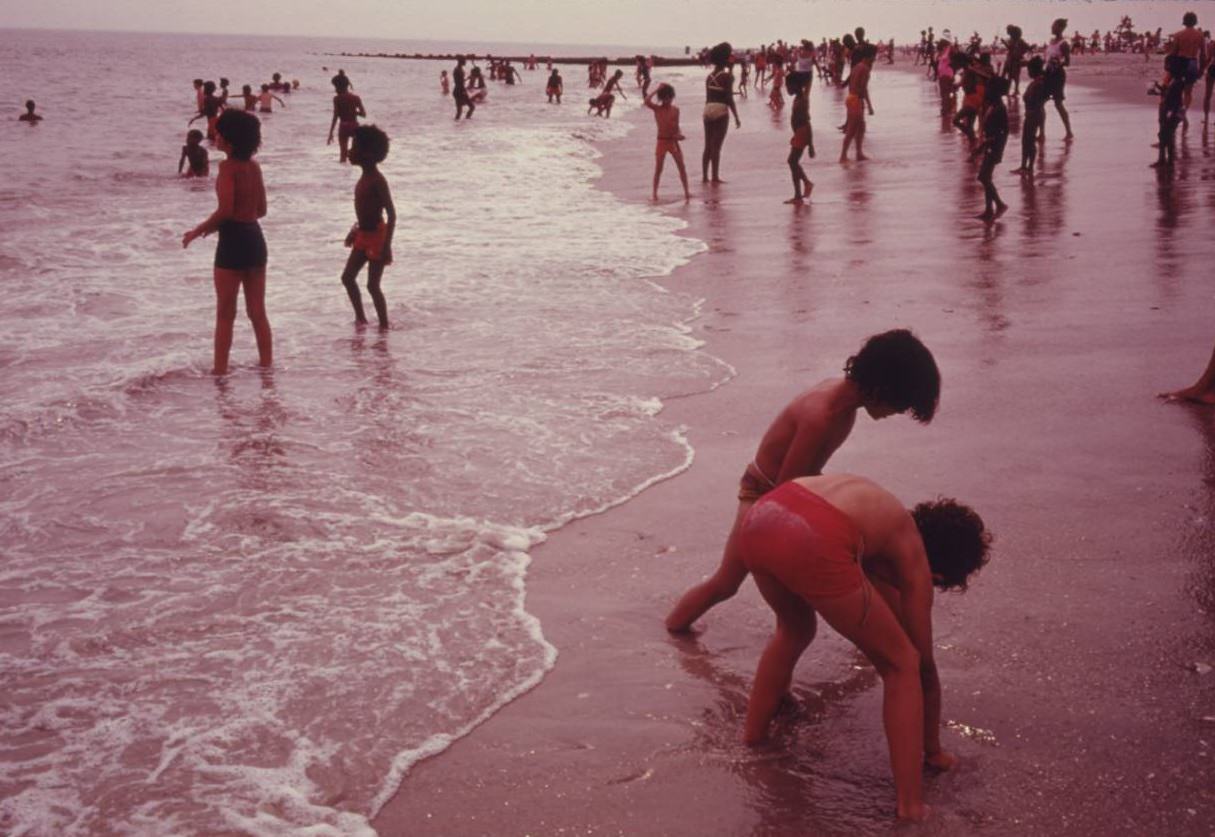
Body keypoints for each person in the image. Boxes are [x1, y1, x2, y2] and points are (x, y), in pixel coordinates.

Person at [736, 472, 991, 821]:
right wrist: (933, 751)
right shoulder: (912, 554)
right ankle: (911, 806)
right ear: (939, 576)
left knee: (793, 629)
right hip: (813, 533)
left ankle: (753, 738)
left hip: (762, 517)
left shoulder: (881, 516)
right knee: (902, 663)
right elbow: (923, 667)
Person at [665, 329, 941, 632]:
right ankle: (674, 628)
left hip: (784, 487)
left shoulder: (842, 403)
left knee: (861, 556)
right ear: (881, 389)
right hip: (762, 495)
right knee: (727, 582)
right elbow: (786, 493)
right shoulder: (821, 417)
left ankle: (889, 626)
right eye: (900, 404)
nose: (898, 412)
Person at [182, 110, 272, 376]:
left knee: (225, 313)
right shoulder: (254, 166)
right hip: (255, 239)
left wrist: (197, 231)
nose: (215, 136)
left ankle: (219, 372)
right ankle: (267, 368)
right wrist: (237, 218)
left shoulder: (227, 167)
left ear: (229, 141)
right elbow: (262, 209)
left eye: (218, 132)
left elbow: (225, 210)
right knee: (258, 312)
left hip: (232, 242)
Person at [340, 124, 396, 329]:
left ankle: (384, 327)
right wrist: (354, 231)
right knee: (347, 278)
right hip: (363, 234)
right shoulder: (364, 177)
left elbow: (392, 214)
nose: (349, 151)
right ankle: (361, 319)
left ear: (369, 154)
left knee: (373, 285)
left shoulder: (378, 181)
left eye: (354, 147)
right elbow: (364, 210)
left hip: (377, 237)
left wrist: (387, 245)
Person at [644, 83, 690, 202]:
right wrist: (657, 90)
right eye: (665, 98)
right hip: (661, 141)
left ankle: (686, 191)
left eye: (669, 97)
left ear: (672, 97)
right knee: (659, 169)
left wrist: (679, 135)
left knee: (682, 167)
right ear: (661, 98)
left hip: (673, 141)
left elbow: (676, 126)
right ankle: (654, 193)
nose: (667, 100)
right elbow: (647, 100)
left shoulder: (676, 110)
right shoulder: (657, 109)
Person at [702, 42, 741, 183]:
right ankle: (715, 177)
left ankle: (705, 176)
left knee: (707, 145)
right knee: (716, 146)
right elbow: (729, 98)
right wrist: (736, 116)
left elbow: (708, 97)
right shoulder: (727, 77)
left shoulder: (709, 77)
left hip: (707, 109)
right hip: (720, 110)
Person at [972, 77, 1010, 220]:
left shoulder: (998, 109)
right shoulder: (995, 106)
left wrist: (980, 148)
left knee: (983, 177)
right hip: (993, 146)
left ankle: (999, 204)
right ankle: (989, 209)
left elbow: (997, 133)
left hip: (994, 147)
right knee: (987, 177)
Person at [1151, 55, 1189, 168]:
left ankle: (1165, 160)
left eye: (1167, 66)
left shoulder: (1177, 82)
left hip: (1170, 111)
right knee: (1166, 135)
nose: (1165, 68)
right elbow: (1168, 93)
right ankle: (1167, 159)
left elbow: (1174, 99)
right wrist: (1158, 88)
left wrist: (1170, 113)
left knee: (1165, 135)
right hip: (1171, 110)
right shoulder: (1176, 81)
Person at [840, 44, 875, 163]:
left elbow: (851, 83)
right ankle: (843, 156)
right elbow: (863, 89)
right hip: (855, 99)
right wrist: (869, 105)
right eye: (873, 57)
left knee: (861, 127)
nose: (874, 59)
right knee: (852, 130)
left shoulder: (857, 66)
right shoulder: (865, 69)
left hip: (851, 98)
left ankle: (859, 153)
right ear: (870, 56)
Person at [1042, 18, 1075, 141]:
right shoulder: (1051, 41)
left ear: (1060, 28)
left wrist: (1057, 64)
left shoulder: (1064, 44)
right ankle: (1042, 133)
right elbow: (1046, 58)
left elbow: (1067, 62)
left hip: (1057, 75)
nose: (1052, 28)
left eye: (1054, 26)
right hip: (1048, 74)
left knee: (1058, 103)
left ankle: (1069, 132)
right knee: (1041, 102)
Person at [1012, 57, 1046, 175]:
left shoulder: (1038, 84)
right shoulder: (1038, 82)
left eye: (1029, 70)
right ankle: (1025, 166)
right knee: (1027, 141)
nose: (1028, 72)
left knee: (1028, 141)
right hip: (1034, 114)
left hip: (1033, 115)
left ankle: (1028, 167)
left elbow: (1036, 101)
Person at [785, 73, 814, 204]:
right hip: (799, 133)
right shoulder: (798, 98)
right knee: (793, 162)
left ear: (795, 86)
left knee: (792, 161)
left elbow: (807, 122)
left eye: (788, 85)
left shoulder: (802, 100)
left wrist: (811, 144)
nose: (786, 88)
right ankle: (800, 191)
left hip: (802, 133)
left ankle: (804, 188)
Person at [327, 76, 366, 163]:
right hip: (354, 126)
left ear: (338, 87)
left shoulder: (337, 99)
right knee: (354, 154)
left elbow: (335, 116)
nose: (335, 89)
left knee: (343, 155)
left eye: (335, 87)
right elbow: (364, 114)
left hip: (343, 126)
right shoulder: (356, 98)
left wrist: (331, 133)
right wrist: (355, 112)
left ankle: (342, 174)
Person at [1002, 25, 1028, 96]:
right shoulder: (1012, 40)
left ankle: (1015, 90)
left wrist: (1020, 54)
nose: (1007, 32)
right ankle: (1009, 90)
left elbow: (1025, 47)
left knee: (1014, 76)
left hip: (1015, 60)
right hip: (1011, 59)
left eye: (1008, 30)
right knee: (1010, 76)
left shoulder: (1018, 41)